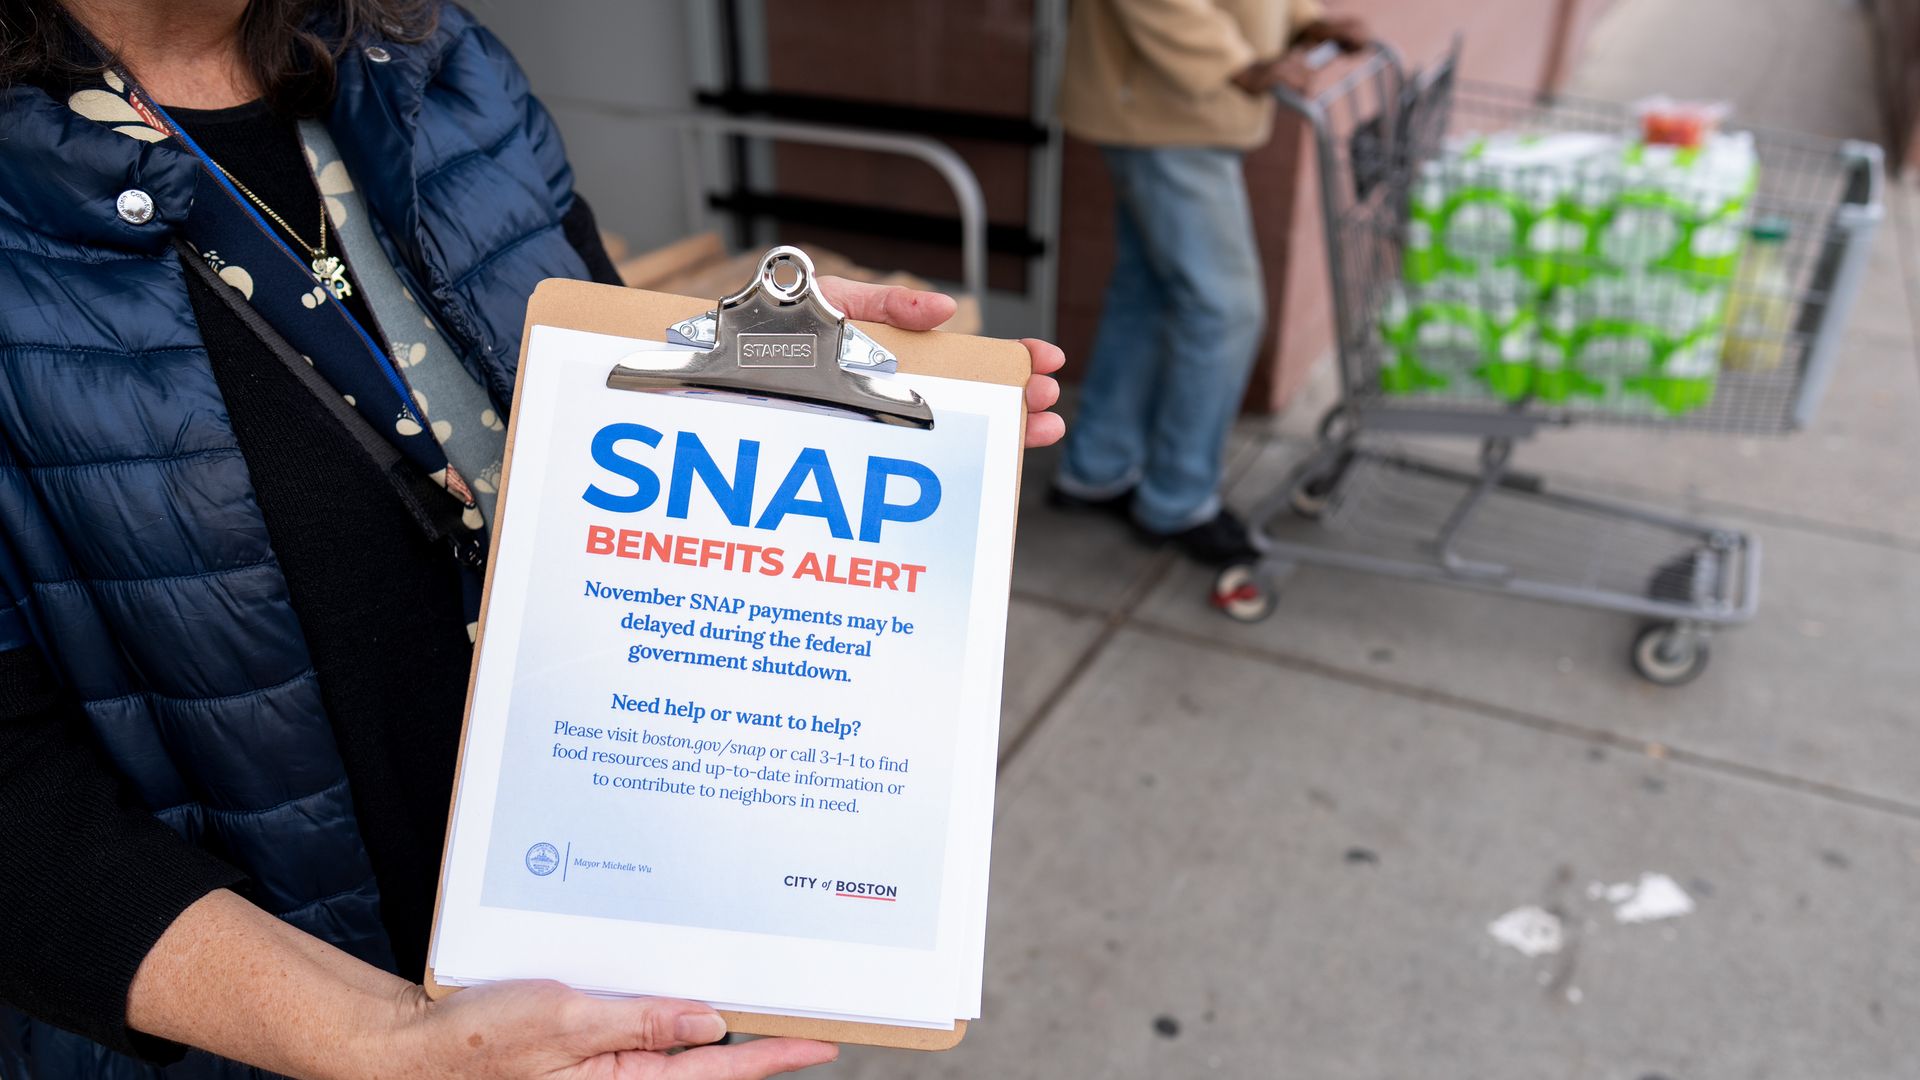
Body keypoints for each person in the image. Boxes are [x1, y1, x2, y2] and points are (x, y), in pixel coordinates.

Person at [0, 2, 1065, 1077]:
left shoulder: (420, 50)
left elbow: (593, 383)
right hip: (269, 1030)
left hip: (607, 925)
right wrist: (378, 1044)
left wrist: (769, 392)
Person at [1051, 0, 1367, 565]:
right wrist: (1235, 64)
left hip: (1173, 107)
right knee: (1225, 310)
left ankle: (1097, 465)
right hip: (1168, 107)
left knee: (1146, 290)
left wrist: (1302, 19)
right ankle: (1177, 500)